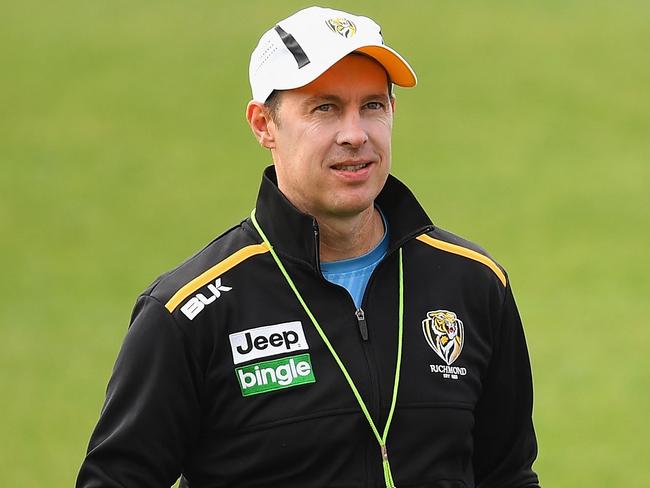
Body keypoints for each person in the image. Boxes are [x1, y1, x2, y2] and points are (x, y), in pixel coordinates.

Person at [77, 6, 540, 488]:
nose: (355, 135)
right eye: (325, 108)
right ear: (263, 125)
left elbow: (508, 475)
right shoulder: (189, 314)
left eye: (373, 106)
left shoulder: (473, 283)